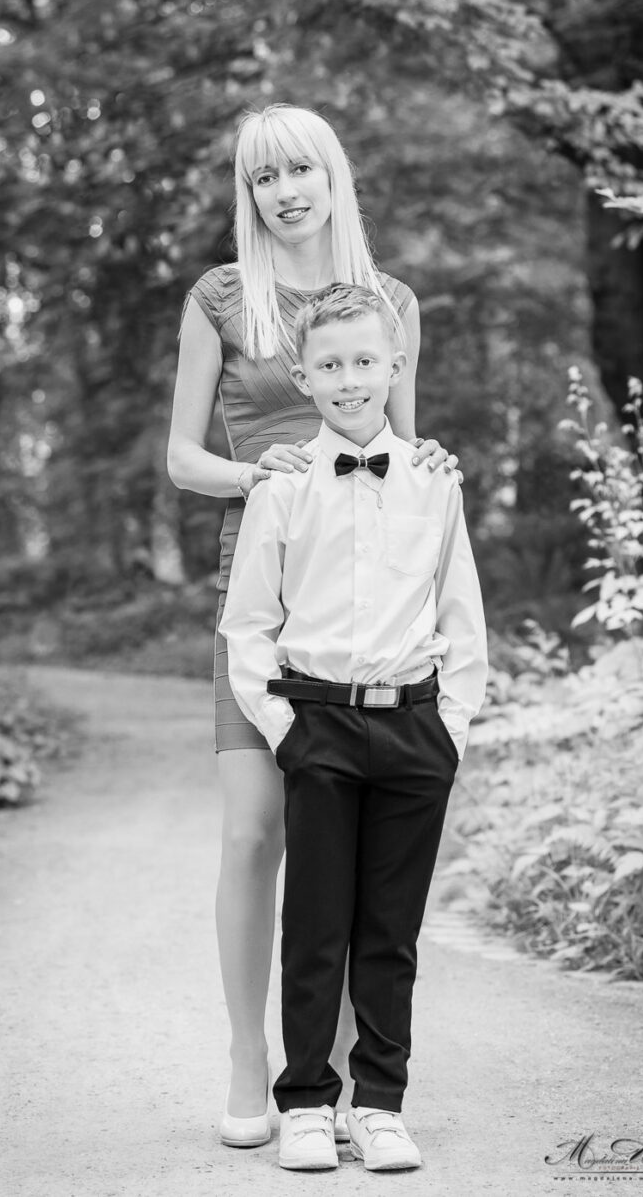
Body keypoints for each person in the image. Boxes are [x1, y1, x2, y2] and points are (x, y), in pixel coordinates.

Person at [167, 103, 457, 1147]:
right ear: (247, 194)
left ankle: (328, 1081)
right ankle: (249, 1059)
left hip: (364, 606)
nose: (284, 191)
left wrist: (432, 465)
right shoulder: (221, 299)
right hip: (259, 590)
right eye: (262, 176)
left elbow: (403, 454)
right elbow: (182, 458)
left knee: (350, 850)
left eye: (300, 169)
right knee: (255, 830)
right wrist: (258, 472)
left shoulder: (392, 303)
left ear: (332, 176)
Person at [220, 283, 488, 1171]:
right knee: (315, 927)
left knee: (390, 933)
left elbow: (462, 615)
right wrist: (285, 730)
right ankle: (304, 1100)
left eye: (365, 361)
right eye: (329, 365)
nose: (349, 379)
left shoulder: (435, 482)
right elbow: (247, 624)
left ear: (395, 366)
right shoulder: (284, 487)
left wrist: (450, 729)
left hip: (414, 729)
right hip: (319, 727)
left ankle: (379, 1103)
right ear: (303, 376)